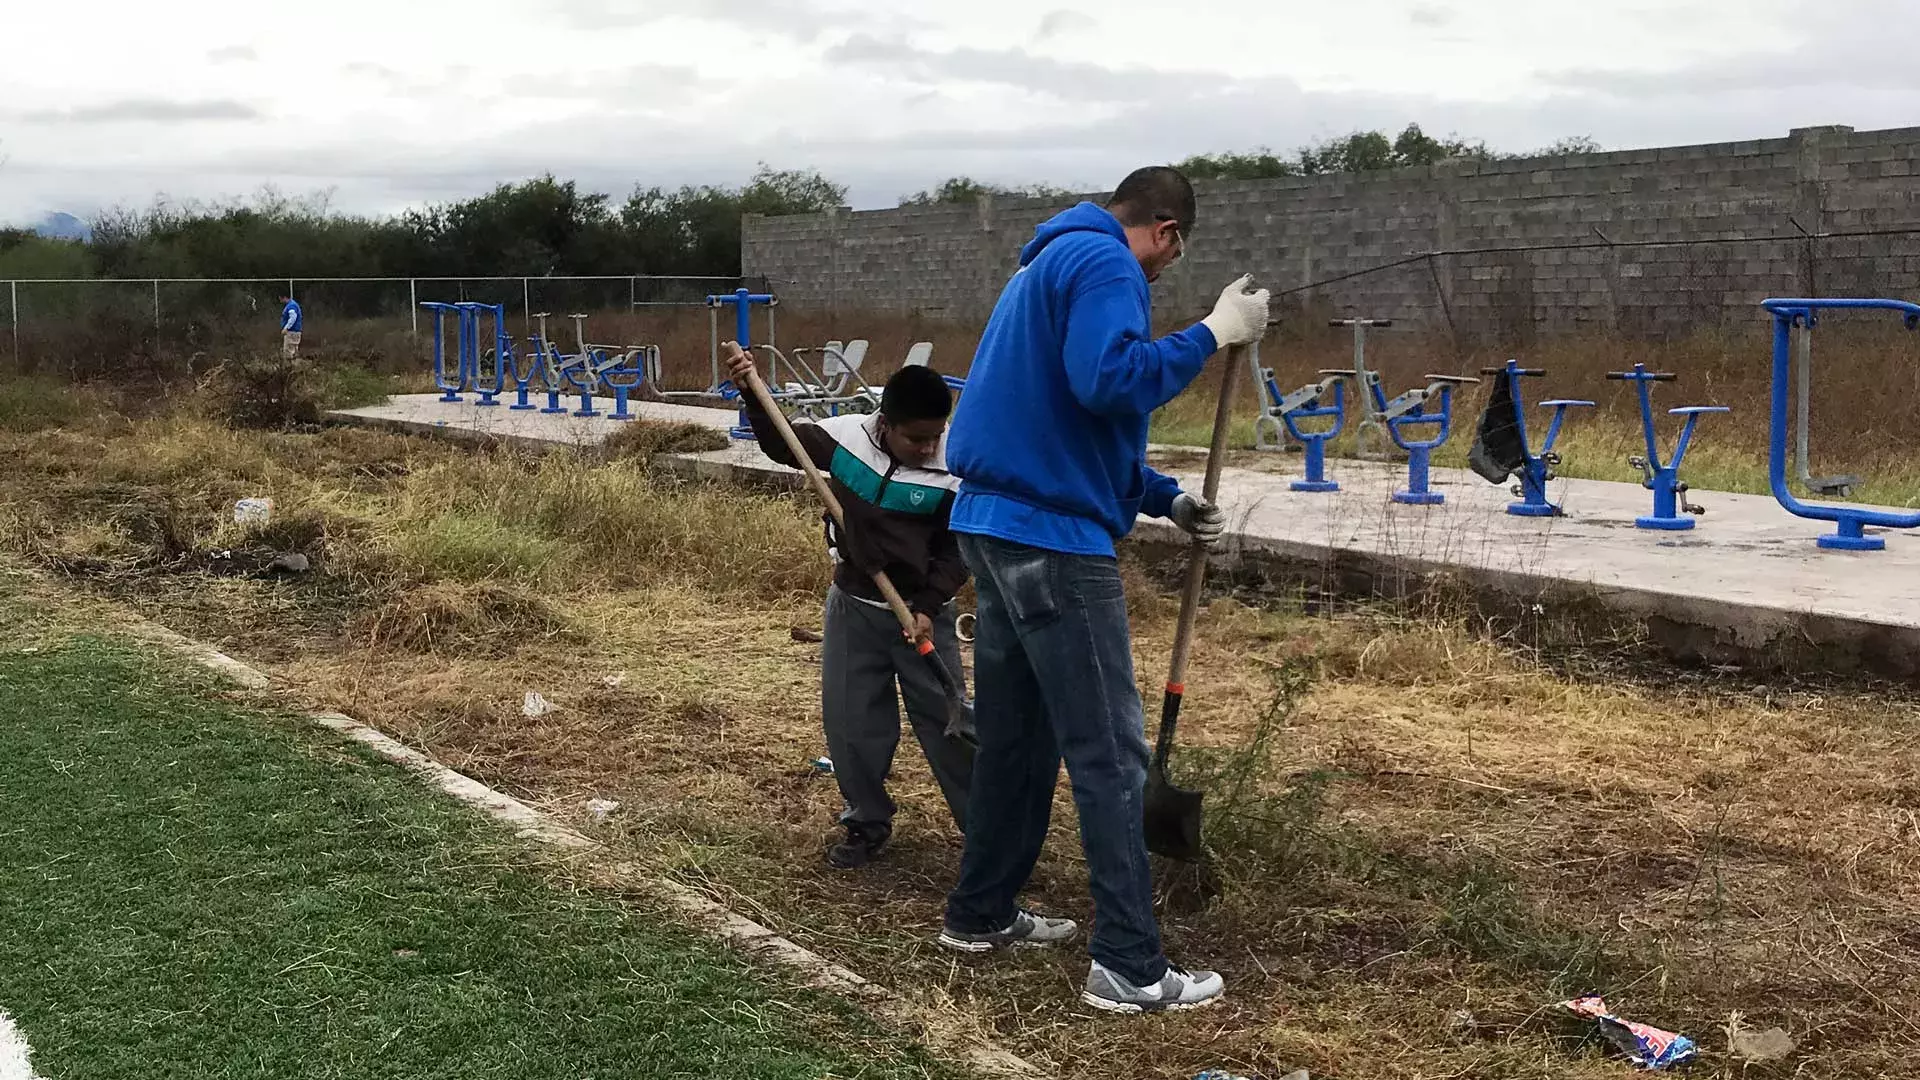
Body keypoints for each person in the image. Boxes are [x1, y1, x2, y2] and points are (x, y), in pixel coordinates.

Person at [934, 166, 1270, 1013]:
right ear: (1168, 232)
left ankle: (979, 914)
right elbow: (1111, 381)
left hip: (992, 524)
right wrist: (1212, 333)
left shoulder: (1042, 266)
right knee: (1111, 754)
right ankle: (1127, 962)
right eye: (1171, 259)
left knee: (1018, 739)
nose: (1161, 275)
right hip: (1051, 541)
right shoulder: (1107, 265)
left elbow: (1068, 420)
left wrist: (1167, 498)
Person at [727, 344, 975, 869]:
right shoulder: (847, 440)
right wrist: (752, 392)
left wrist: (929, 604)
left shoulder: (956, 466)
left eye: (935, 435)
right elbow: (782, 441)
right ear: (885, 424)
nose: (929, 447)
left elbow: (959, 550)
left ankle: (986, 830)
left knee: (949, 723)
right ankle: (866, 820)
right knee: (851, 721)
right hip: (855, 606)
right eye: (917, 438)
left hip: (922, 615)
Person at [277, 292, 303, 358]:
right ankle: (295, 366)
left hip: (291, 332)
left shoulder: (291, 306)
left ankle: (289, 367)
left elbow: (293, 317)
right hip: (295, 331)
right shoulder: (292, 304)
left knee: (288, 353)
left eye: (280, 299)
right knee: (294, 352)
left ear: (285, 297)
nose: (280, 301)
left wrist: (286, 328)